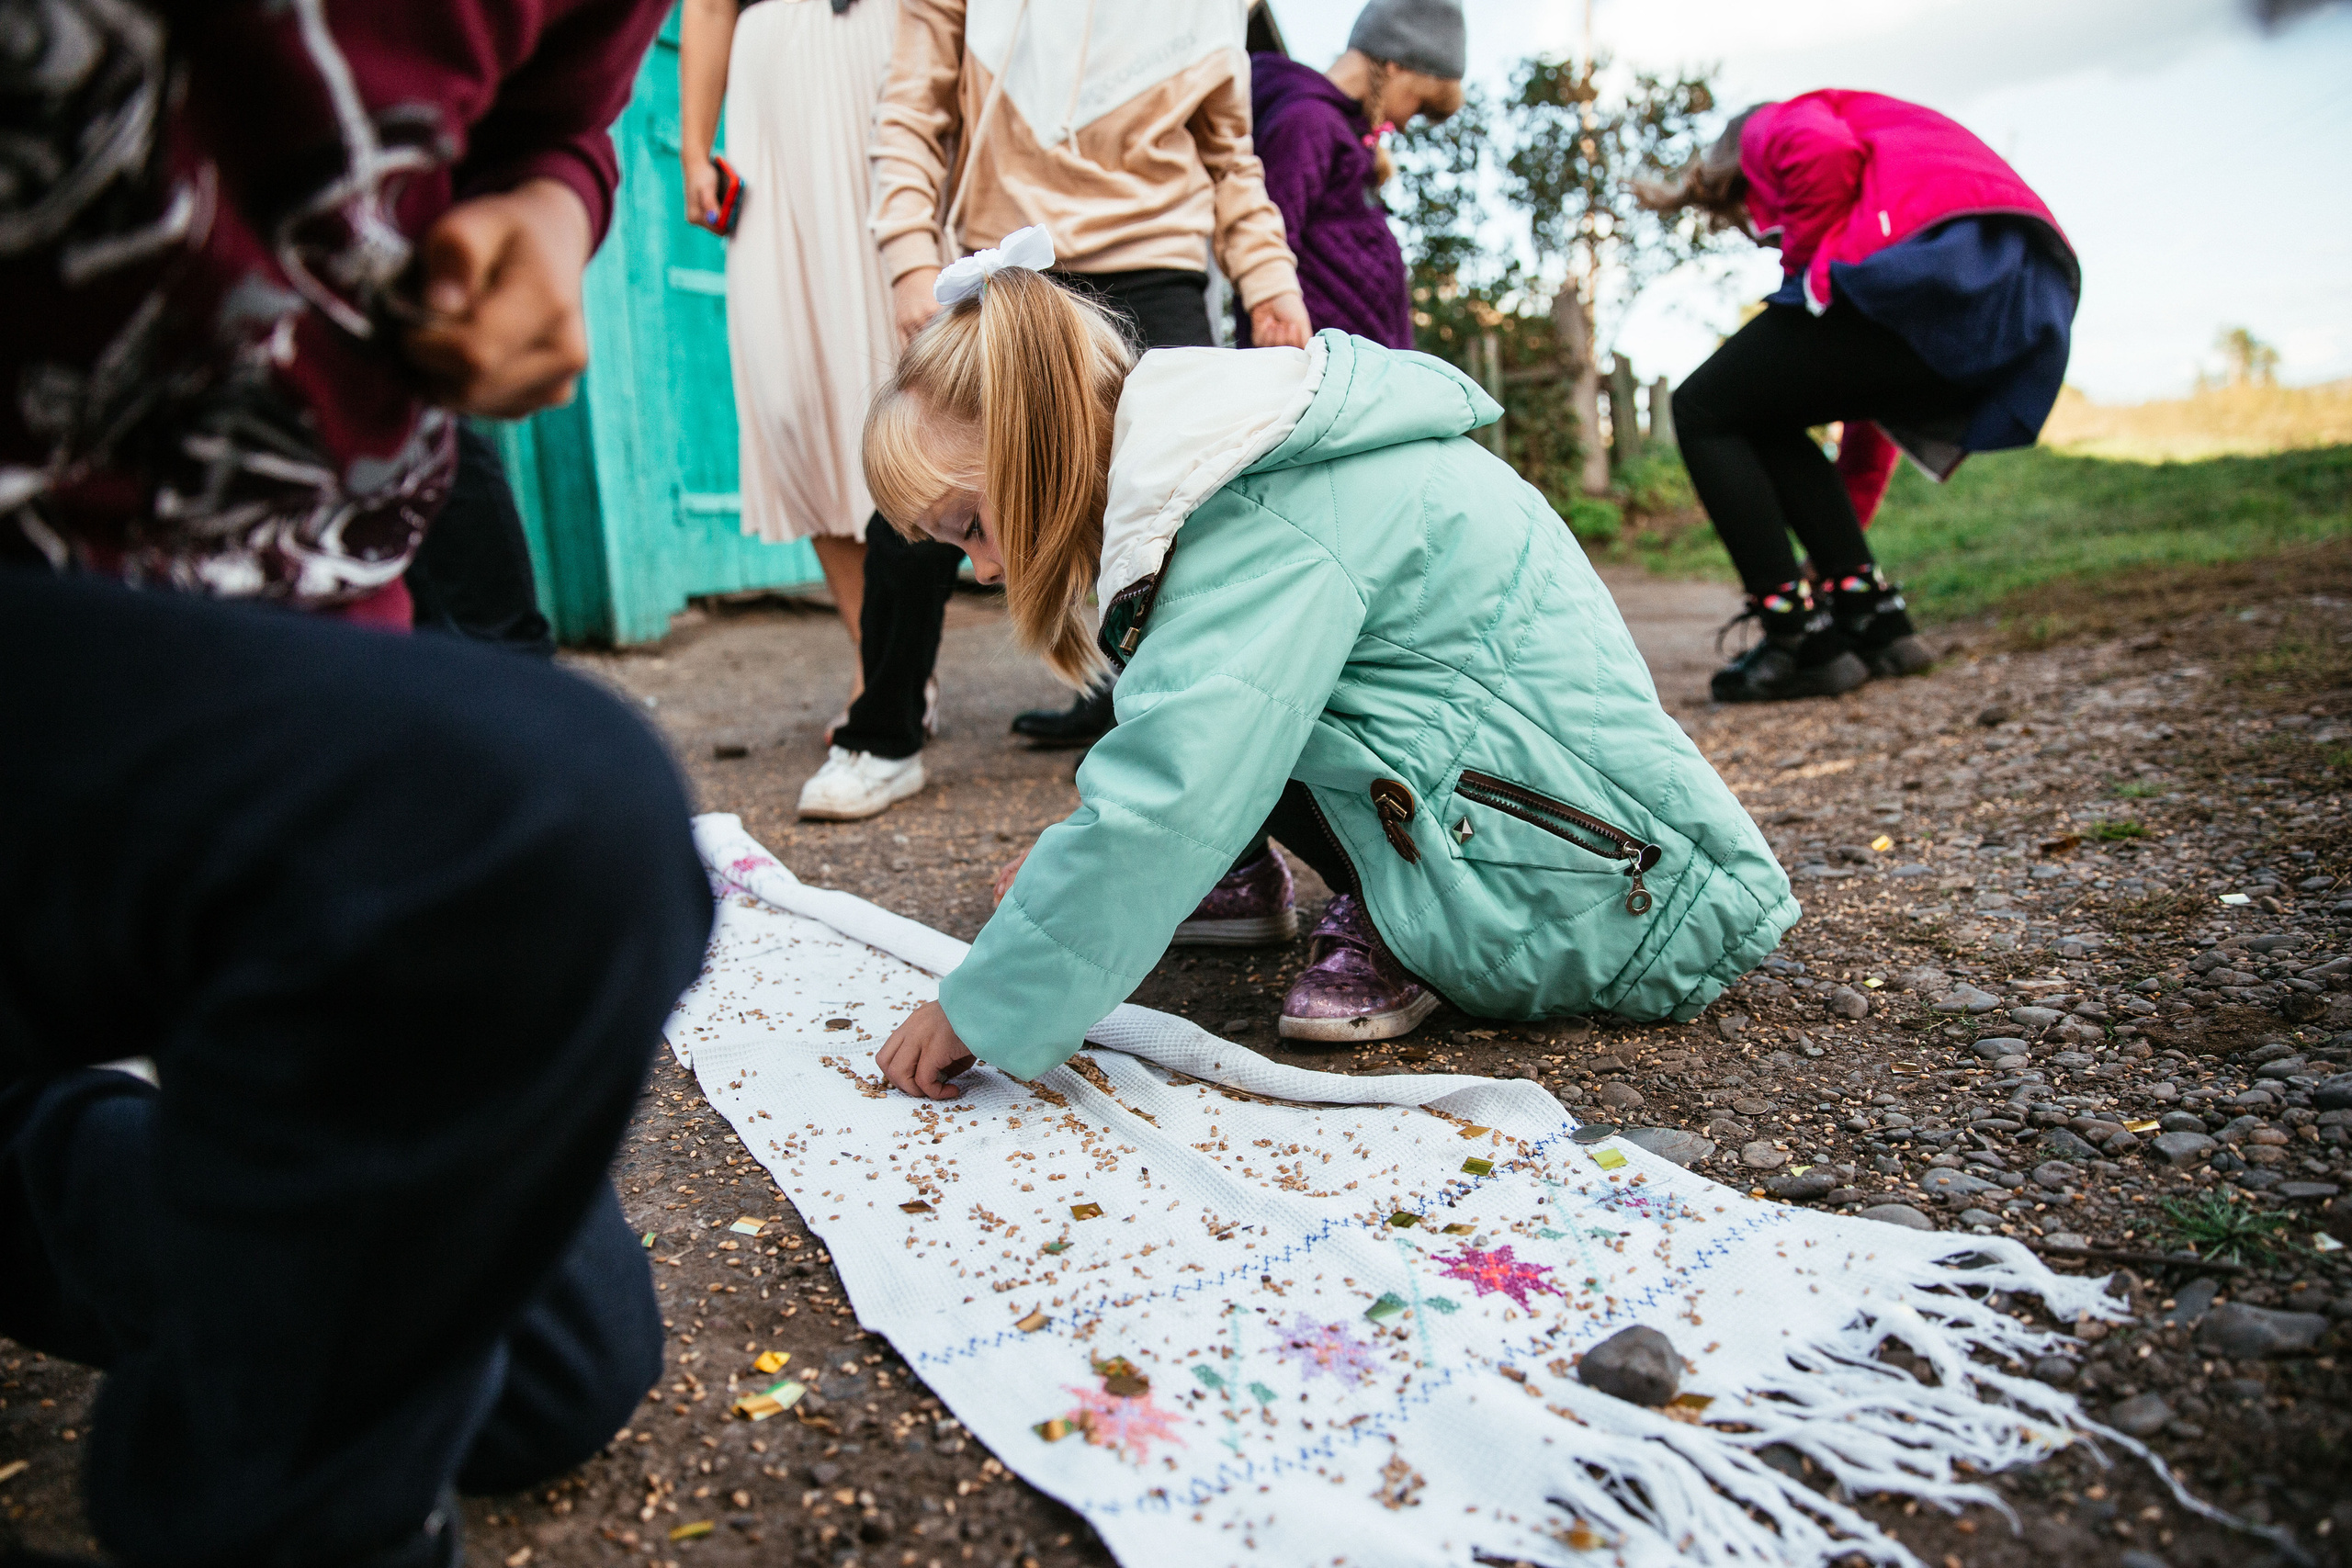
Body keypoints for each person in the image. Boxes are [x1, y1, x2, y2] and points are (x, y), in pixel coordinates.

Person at [0, 5, 712, 1565]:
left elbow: (555, 122)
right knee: (540, 822)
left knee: (556, 1364)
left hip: (276, 667)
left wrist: (543, 213)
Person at [858, 245, 1793, 1090]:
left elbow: (1175, 786)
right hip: (1523, 807)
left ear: (1037, 449)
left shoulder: (1251, 510)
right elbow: (1193, 713)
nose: (979, 569)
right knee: (1221, 686)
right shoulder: (1220, 456)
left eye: (970, 527)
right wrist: (1084, 864)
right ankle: (1250, 874)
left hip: (1585, 884)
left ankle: (1406, 927)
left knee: (1220, 717)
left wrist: (983, 1003)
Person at [804, 0, 1312, 819]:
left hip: (1155, 260)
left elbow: (1231, 157)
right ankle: (883, 730)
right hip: (1012, 263)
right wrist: (906, 257)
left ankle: (1148, 729)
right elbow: (910, 112)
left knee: (1182, 521)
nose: (991, 573)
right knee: (933, 495)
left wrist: (1270, 281)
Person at [1635, 91, 2079, 704]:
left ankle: (1797, 638)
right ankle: (1876, 621)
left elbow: (1822, 151)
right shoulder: (1879, 189)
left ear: (1736, 166)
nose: (1766, 237)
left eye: (1756, 218)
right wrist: (1839, 555)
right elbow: (1866, 425)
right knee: (1760, 414)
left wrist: (1806, 267)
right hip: (2006, 296)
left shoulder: (1774, 125)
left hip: (1945, 267)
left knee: (1701, 407)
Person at [679, 0, 920, 818]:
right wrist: (693, 146)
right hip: (768, 99)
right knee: (790, 384)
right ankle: (873, 651)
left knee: (894, 363)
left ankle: (889, 671)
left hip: (883, 70)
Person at [1237, 0, 1465, 350]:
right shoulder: (1307, 122)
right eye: (1417, 103)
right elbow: (1269, 249)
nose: (1405, 122)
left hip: (1356, 379)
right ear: (1395, 66)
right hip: (1318, 377)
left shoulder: (1344, 134)